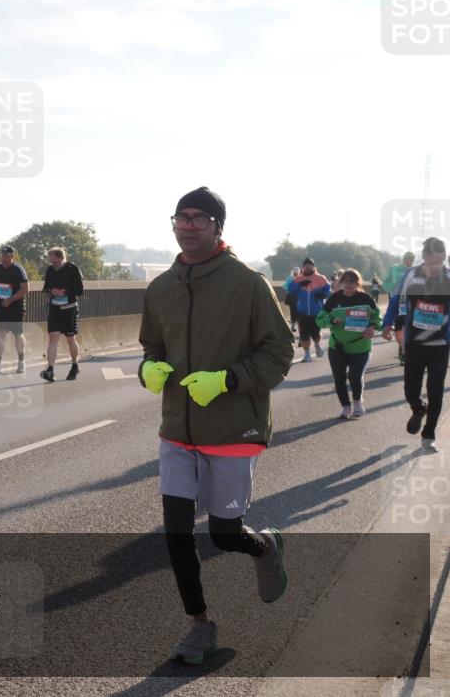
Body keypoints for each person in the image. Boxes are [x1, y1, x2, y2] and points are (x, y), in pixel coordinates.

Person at [138, 186, 292, 665]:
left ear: (217, 227)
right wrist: (150, 367)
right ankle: (199, 625)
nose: (187, 224)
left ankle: (264, 547)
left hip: (231, 430)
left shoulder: (248, 283)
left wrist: (227, 380)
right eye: (181, 217)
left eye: (199, 218)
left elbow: (279, 352)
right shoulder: (162, 286)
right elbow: (151, 345)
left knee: (225, 534)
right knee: (176, 533)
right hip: (177, 431)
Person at [382, 237, 450, 452]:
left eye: (439, 262)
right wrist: (387, 323)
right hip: (414, 342)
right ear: (424, 259)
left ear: (445, 259)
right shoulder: (410, 276)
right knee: (411, 389)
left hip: (440, 344)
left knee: (436, 391)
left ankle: (428, 436)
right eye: (431, 263)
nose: (434, 268)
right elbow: (395, 300)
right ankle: (418, 408)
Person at [316, 269, 382, 419]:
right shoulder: (333, 299)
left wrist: (372, 327)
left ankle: (357, 402)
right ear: (340, 282)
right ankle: (345, 407)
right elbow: (319, 319)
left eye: (352, 281)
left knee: (355, 376)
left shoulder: (365, 299)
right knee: (339, 378)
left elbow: (378, 318)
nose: (348, 284)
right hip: (337, 346)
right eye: (345, 281)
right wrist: (331, 321)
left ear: (358, 283)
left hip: (360, 346)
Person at [40, 247, 84, 382]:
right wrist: (50, 291)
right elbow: (46, 288)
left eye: (51, 257)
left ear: (59, 257)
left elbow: (80, 290)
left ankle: (75, 365)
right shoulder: (50, 270)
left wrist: (64, 292)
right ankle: (50, 369)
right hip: (54, 309)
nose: (50, 260)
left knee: (70, 339)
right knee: (53, 338)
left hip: (69, 309)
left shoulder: (72, 268)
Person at [0, 245, 29, 374]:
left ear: (12, 256)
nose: (4, 258)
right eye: (3, 256)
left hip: (16, 306)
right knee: (0, 333)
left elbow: (25, 289)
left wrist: (10, 299)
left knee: (18, 334)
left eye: (7, 256)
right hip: (1, 306)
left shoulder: (18, 270)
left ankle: (21, 363)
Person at [284, 258, 330, 363]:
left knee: (315, 334)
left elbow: (328, 291)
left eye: (310, 265)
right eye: (306, 265)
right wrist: (300, 284)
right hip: (302, 311)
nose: (308, 267)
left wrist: (323, 294)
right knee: (304, 334)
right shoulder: (297, 279)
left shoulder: (321, 278)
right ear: (303, 267)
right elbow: (290, 291)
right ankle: (307, 354)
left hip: (316, 312)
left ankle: (317, 345)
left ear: (313, 266)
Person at [384, 251, 416, 365]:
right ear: (403, 258)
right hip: (398, 300)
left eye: (410, 259)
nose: (408, 260)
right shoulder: (395, 269)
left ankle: (406, 351)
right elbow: (386, 282)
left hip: (413, 302)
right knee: (399, 328)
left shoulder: (416, 271)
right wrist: (392, 290)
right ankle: (402, 349)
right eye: (407, 258)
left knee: (410, 329)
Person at [284, 267, 300, 333]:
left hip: (298, 296)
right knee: (293, 310)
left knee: (298, 311)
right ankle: (293, 325)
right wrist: (290, 290)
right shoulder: (290, 278)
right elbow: (285, 286)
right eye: (295, 271)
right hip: (291, 296)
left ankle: (296, 325)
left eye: (297, 271)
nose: (296, 272)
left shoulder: (301, 278)